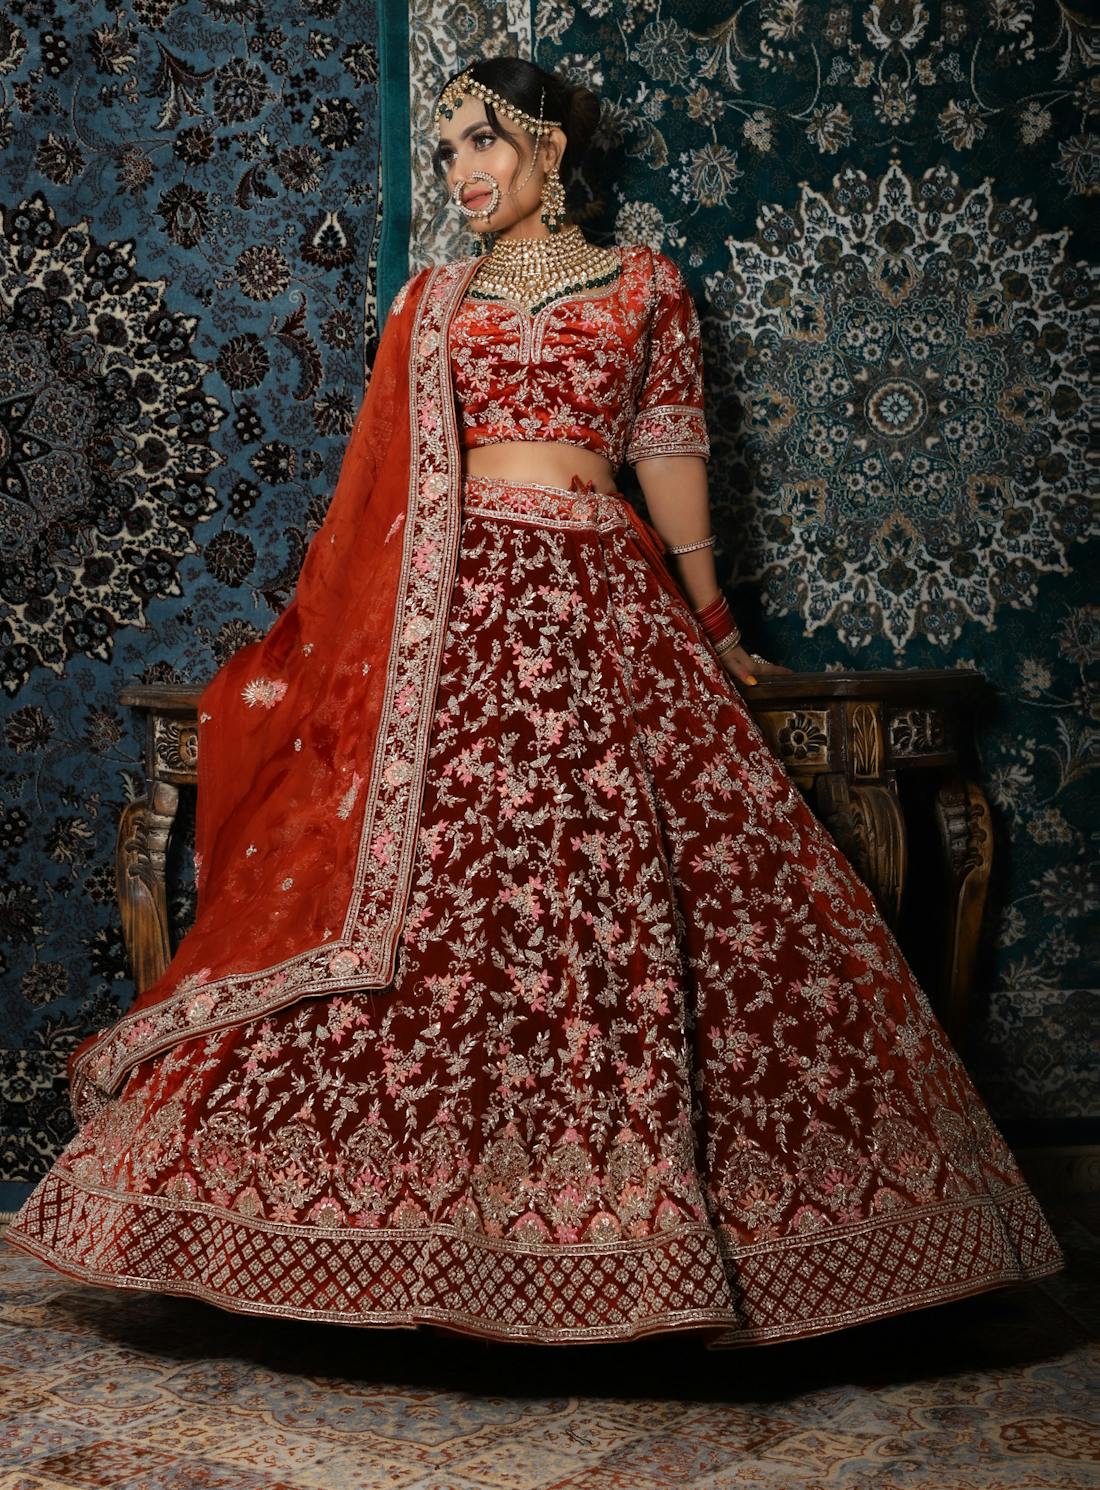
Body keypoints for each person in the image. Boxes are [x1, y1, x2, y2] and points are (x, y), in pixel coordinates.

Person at [4, 57, 1062, 1346]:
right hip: (456, 615)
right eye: (447, 150)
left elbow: (669, 454)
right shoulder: (434, 300)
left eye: (480, 143)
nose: (461, 174)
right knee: (431, 891)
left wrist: (718, 626)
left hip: (609, 597)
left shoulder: (645, 284)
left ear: (550, 148)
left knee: (655, 886)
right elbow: (388, 495)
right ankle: (392, 1233)